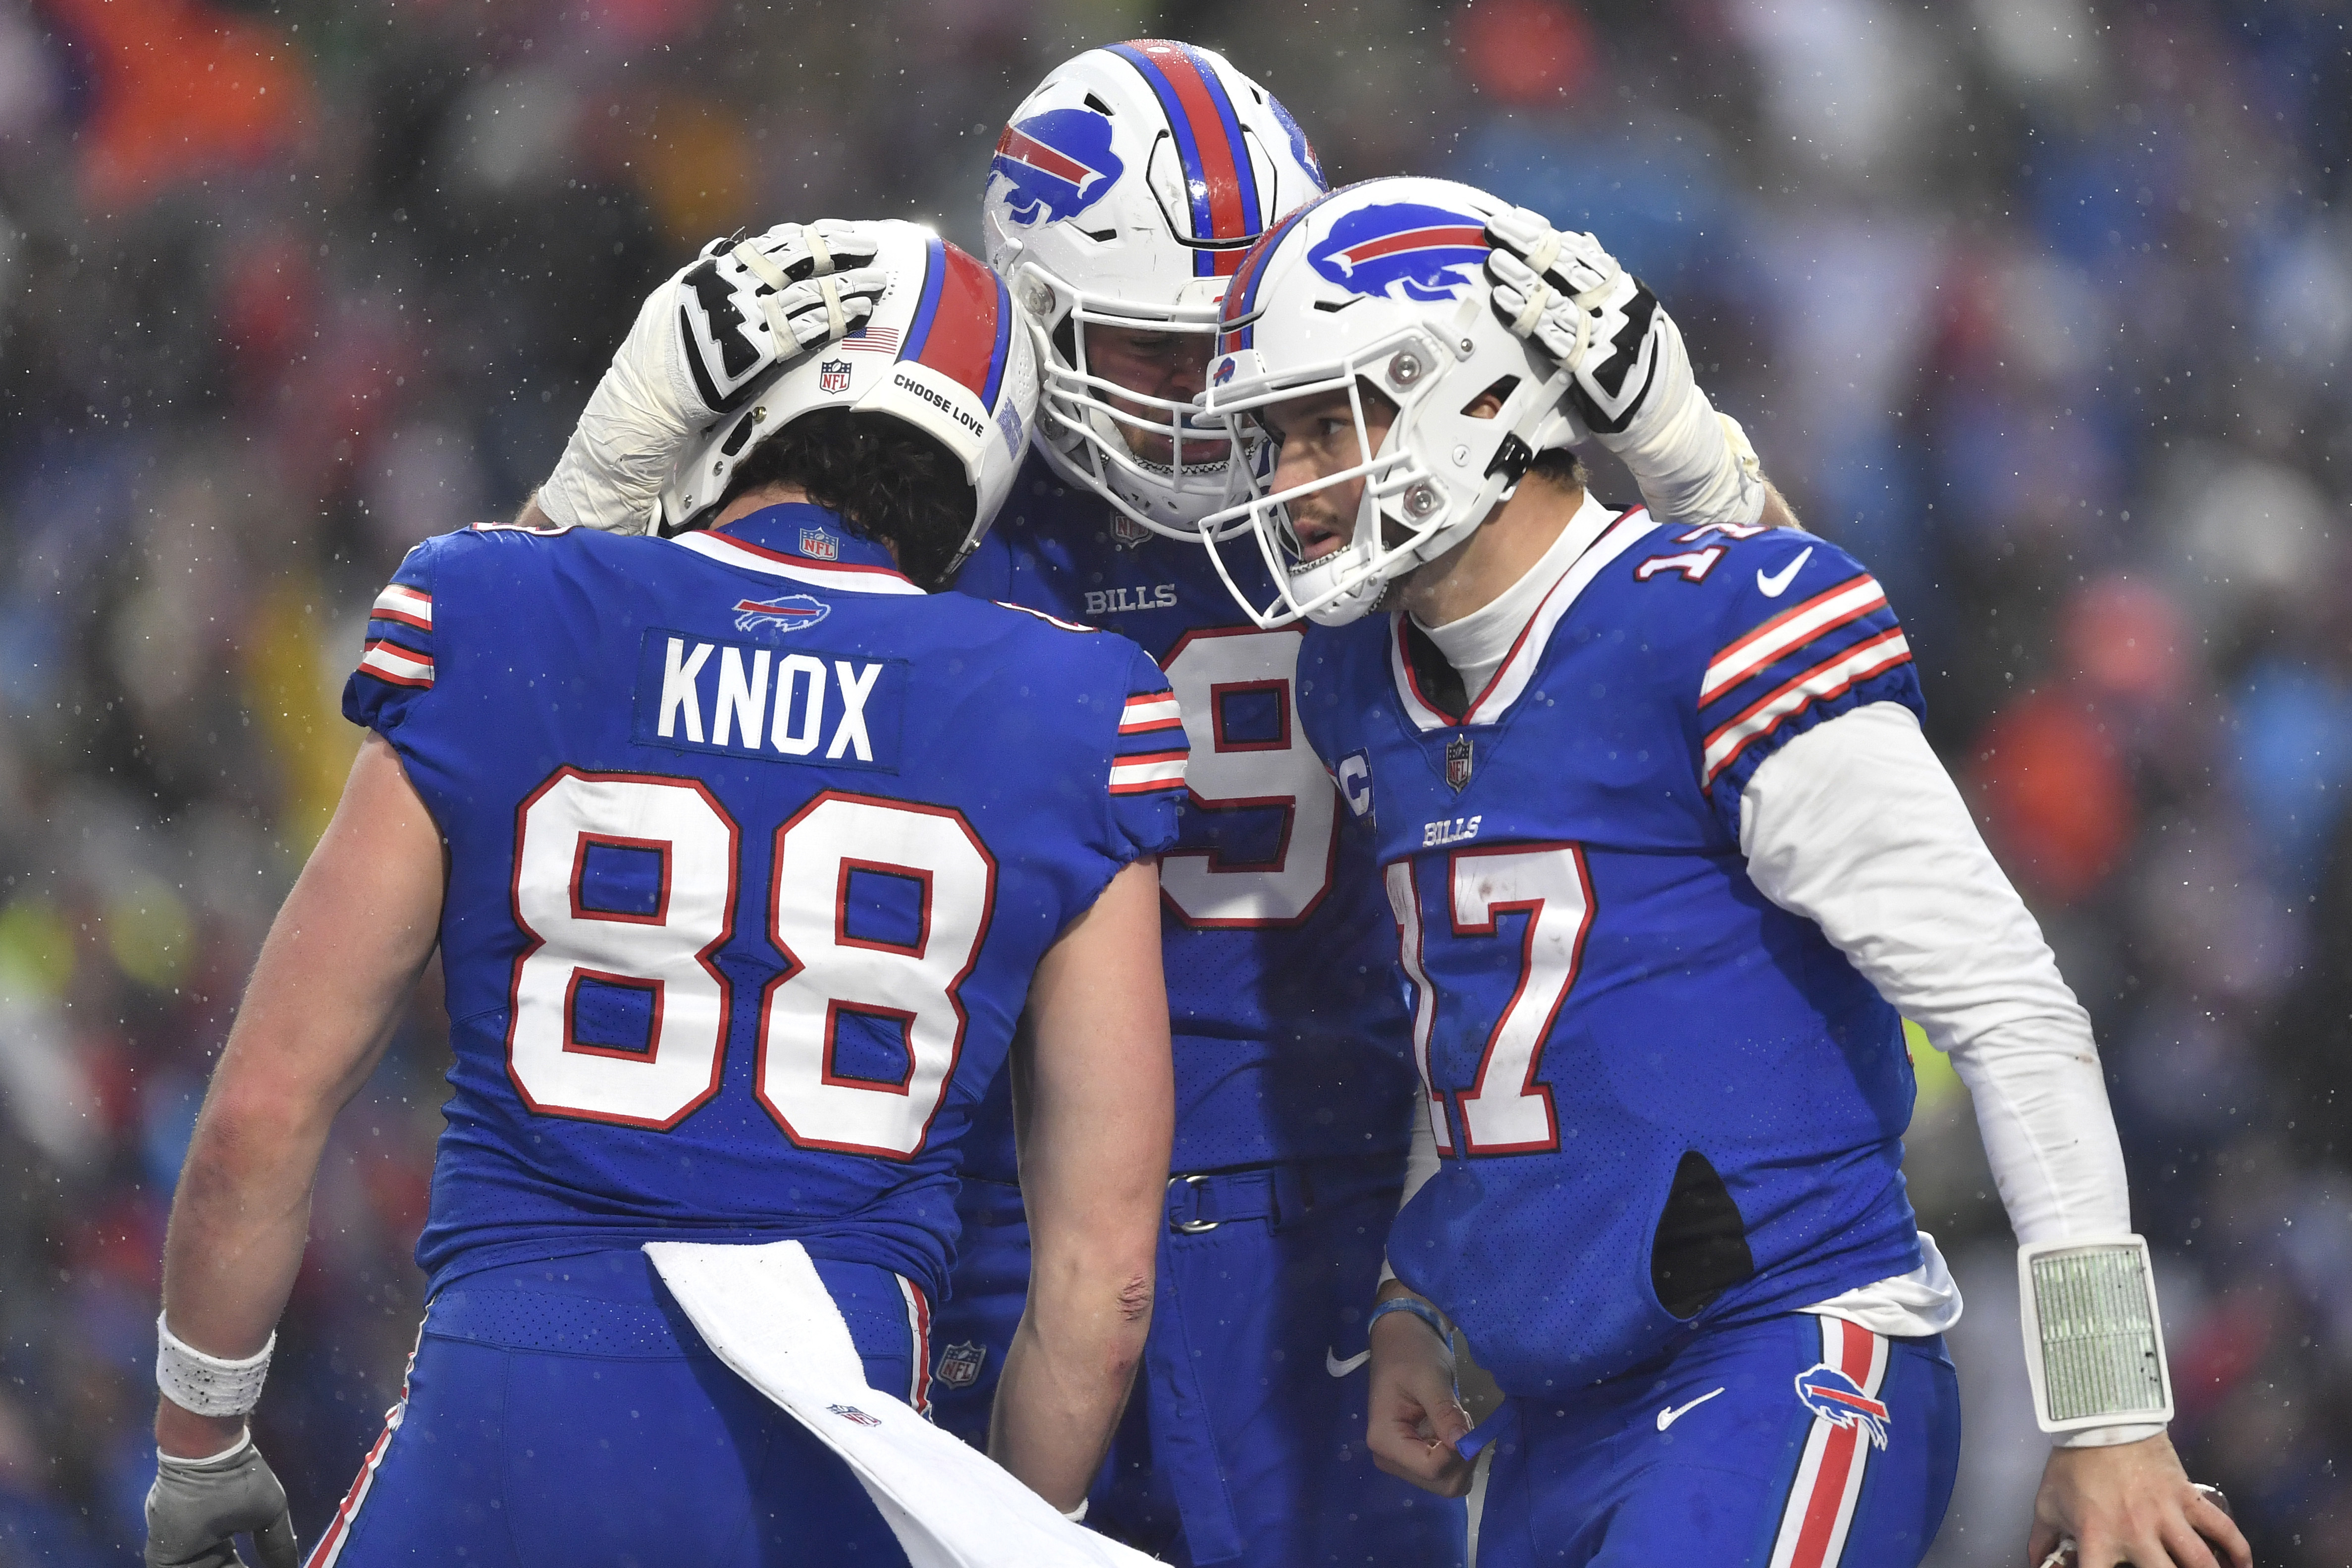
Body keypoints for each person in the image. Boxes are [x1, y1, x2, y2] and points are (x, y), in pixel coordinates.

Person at [1191, 176, 2255, 1568]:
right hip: (1553, 1418)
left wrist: (2109, 1410)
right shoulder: (1360, 682)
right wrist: (1421, 1296)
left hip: (1779, 1355)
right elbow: (1473, 1029)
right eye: (1275, 439)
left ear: (1484, 397)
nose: (1292, 483)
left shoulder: (1706, 628)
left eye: (1333, 422)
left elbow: (2011, 1008)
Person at [143, 221, 1184, 1568]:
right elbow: (1104, 1285)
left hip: (506, 1403)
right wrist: (1001, 1532)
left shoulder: (498, 612)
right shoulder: (1070, 704)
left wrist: (203, 1444)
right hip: (833, 1430)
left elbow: (262, 1114)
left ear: (710, 400)